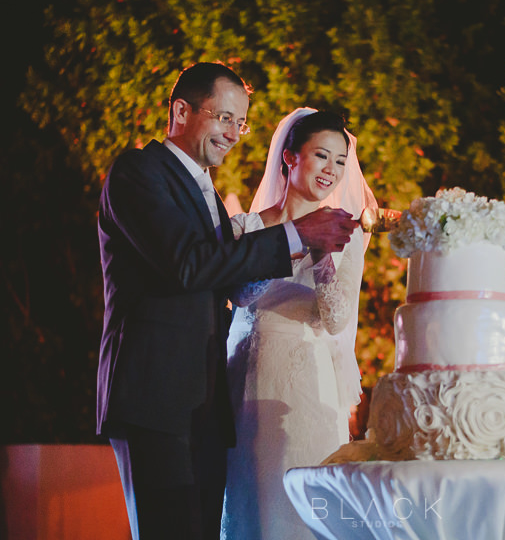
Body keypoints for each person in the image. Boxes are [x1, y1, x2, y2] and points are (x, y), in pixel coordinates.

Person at [96, 63, 358, 540]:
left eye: (241, 123)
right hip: (153, 395)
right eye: (224, 119)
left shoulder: (209, 194)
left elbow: (222, 278)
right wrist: (296, 234)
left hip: (204, 402)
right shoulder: (137, 172)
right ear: (181, 110)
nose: (234, 134)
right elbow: (188, 264)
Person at [221, 108, 377, 539]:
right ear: (289, 157)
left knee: (304, 508)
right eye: (321, 156)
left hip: (309, 380)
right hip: (245, 377)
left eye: (341, 161)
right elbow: (242, 295)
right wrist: (293, 239)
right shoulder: (244, 227)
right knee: (252, 502)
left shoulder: (350, 235)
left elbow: (336, 317)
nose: (332, 170)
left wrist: (323, 250)